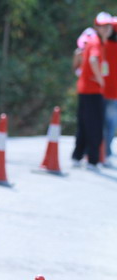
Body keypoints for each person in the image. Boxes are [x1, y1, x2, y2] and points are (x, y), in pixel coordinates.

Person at [72, 12, 114, 171]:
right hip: (92, 91)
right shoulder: (96, 42)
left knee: (84, 125)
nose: (106, 29)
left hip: (86, 90)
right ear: (96, 27)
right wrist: (101, 80)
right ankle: (92, 161)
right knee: (95, 126)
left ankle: (77, 156)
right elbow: (93, 60)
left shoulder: (98, 42)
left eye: (108, 26)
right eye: (102, 26)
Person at [103, 16, 117, 166]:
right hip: (113, 93)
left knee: (99, 122)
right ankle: (105, 153)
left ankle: (96, 152)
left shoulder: (103, 45)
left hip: (99, 90)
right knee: (110, 124)